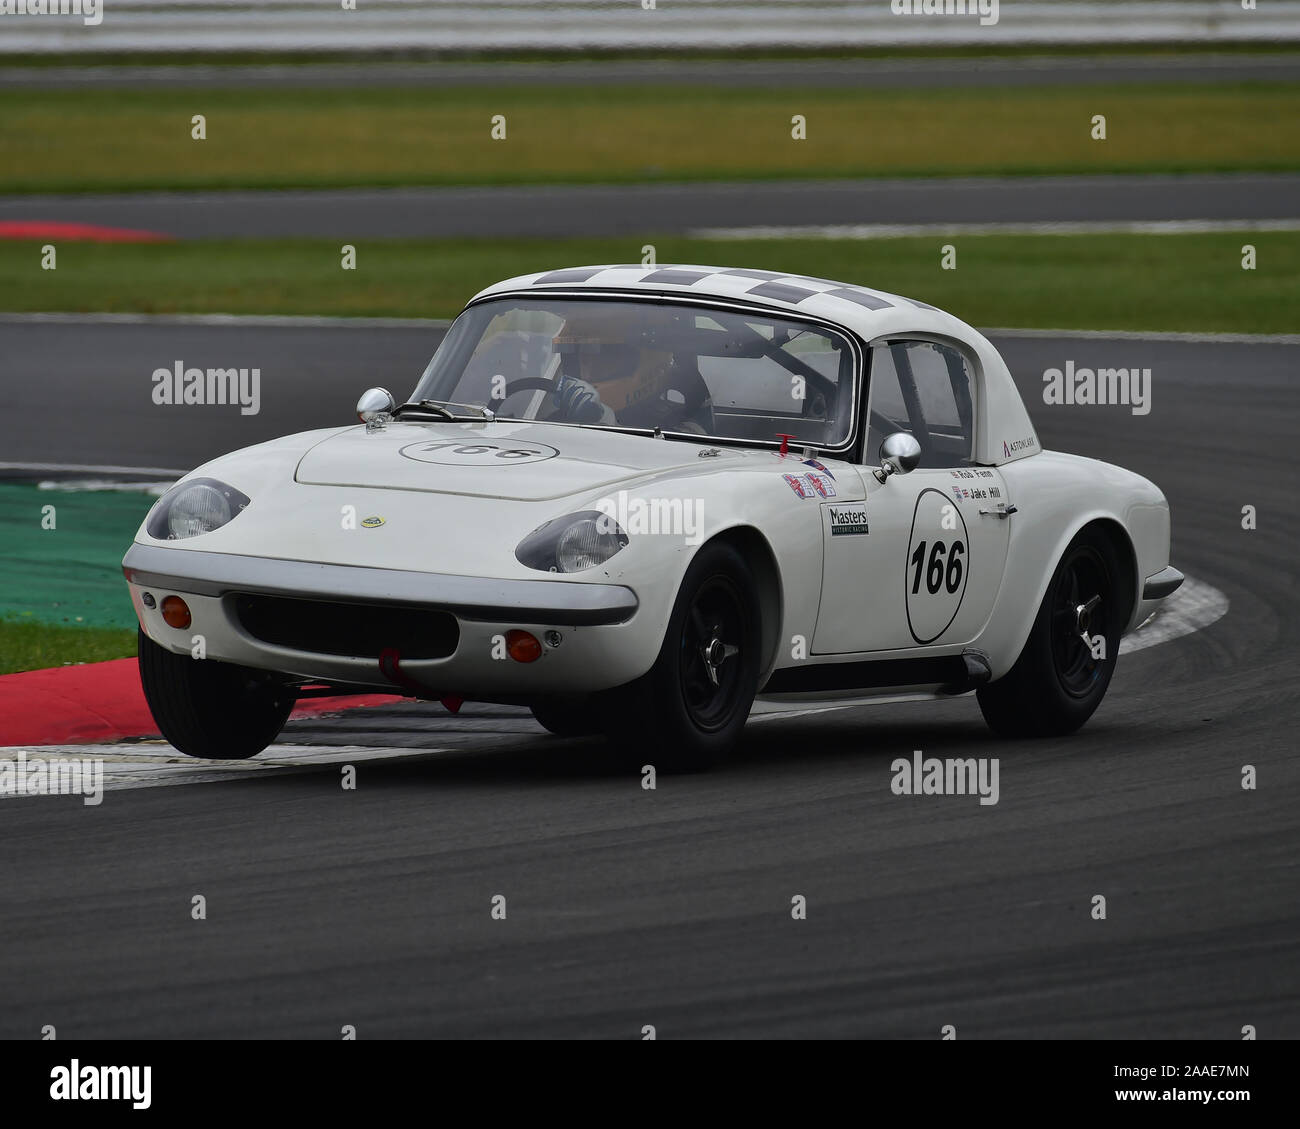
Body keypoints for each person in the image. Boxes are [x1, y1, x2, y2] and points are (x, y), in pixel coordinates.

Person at [548, 305, 713, 433]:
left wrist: (607, 424)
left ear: (648, 360)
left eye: (602, 359)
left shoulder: (683, 424)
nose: (585, 373)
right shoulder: (556, 419)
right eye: (577, 359)